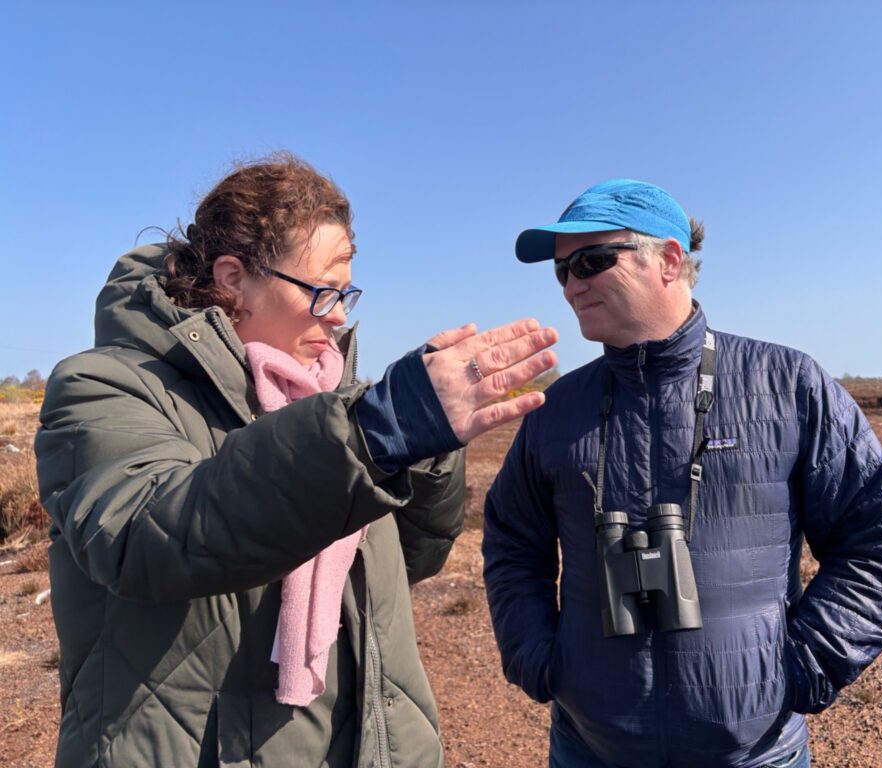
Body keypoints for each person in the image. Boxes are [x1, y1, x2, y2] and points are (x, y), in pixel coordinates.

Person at [34, 153, 557, 768]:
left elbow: (411, 559)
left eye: (345, 293)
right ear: (233, 278)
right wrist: (369, 435)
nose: (338, 314)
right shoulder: (106, 385)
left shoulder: (328, 396)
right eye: (321, 291)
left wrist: (426, 449)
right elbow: (147, 537)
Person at [482, 179, 882, 768]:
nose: (572, 285)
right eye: (562, 271)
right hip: (591, 746)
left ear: (667, 260)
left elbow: (878, 548)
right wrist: (538, 656)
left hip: (755, 752)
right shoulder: (556, 411)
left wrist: (800, 667)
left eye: (589, 260)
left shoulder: (788, 385)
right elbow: (512, 542)